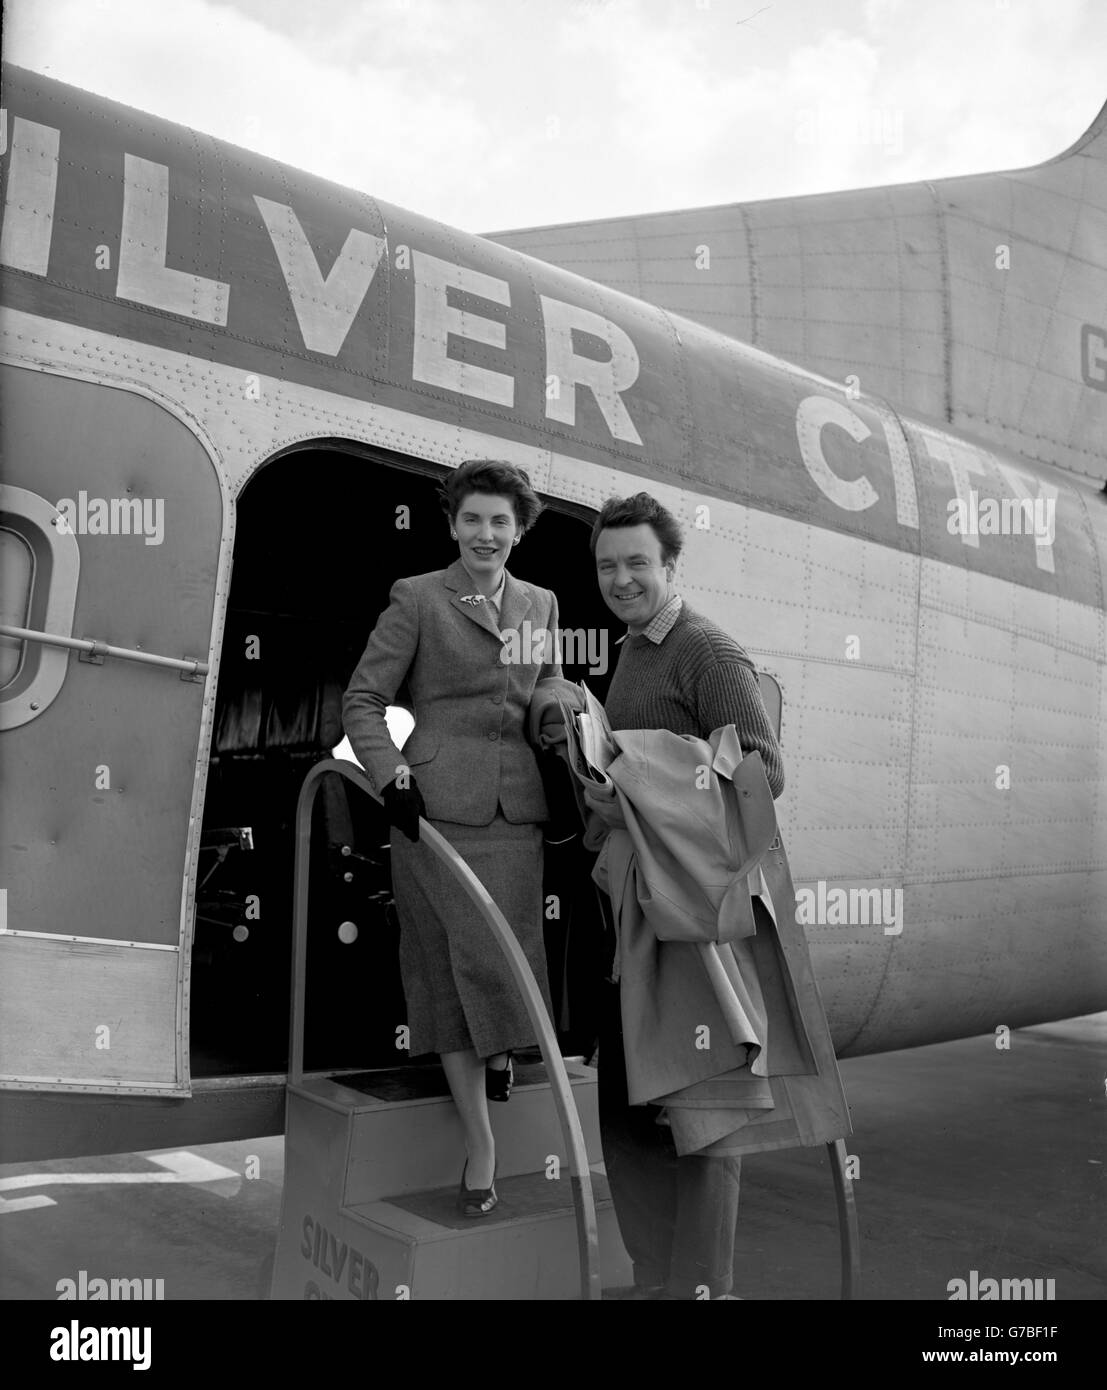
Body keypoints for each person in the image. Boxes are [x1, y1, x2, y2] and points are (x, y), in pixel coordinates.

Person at [342, 459, 561, 1218]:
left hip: (516, 814)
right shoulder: (419, 598)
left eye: (501, 521)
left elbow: (544, 691)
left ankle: (500, 1056)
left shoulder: (541, 603)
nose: (486, 534)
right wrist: (390, 773)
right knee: (445, 978)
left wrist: (563, 714)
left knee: (503, 967)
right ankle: (481, 1146)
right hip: (432, 814)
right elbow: (362, 700)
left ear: (519, 529)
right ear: (451, 524)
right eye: (472, 519)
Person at [587, 490, 784, 1299]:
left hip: (695, 919)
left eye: (638, 563)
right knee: (628, 1109)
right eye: (607, 565)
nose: (622, 578)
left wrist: (643, 776)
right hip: (638, 912)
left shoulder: (705, 650)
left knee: (702, 1113)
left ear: (670, 565)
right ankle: (654, 1279)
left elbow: (765, 773)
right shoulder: (632, 649)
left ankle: (702, 1289)